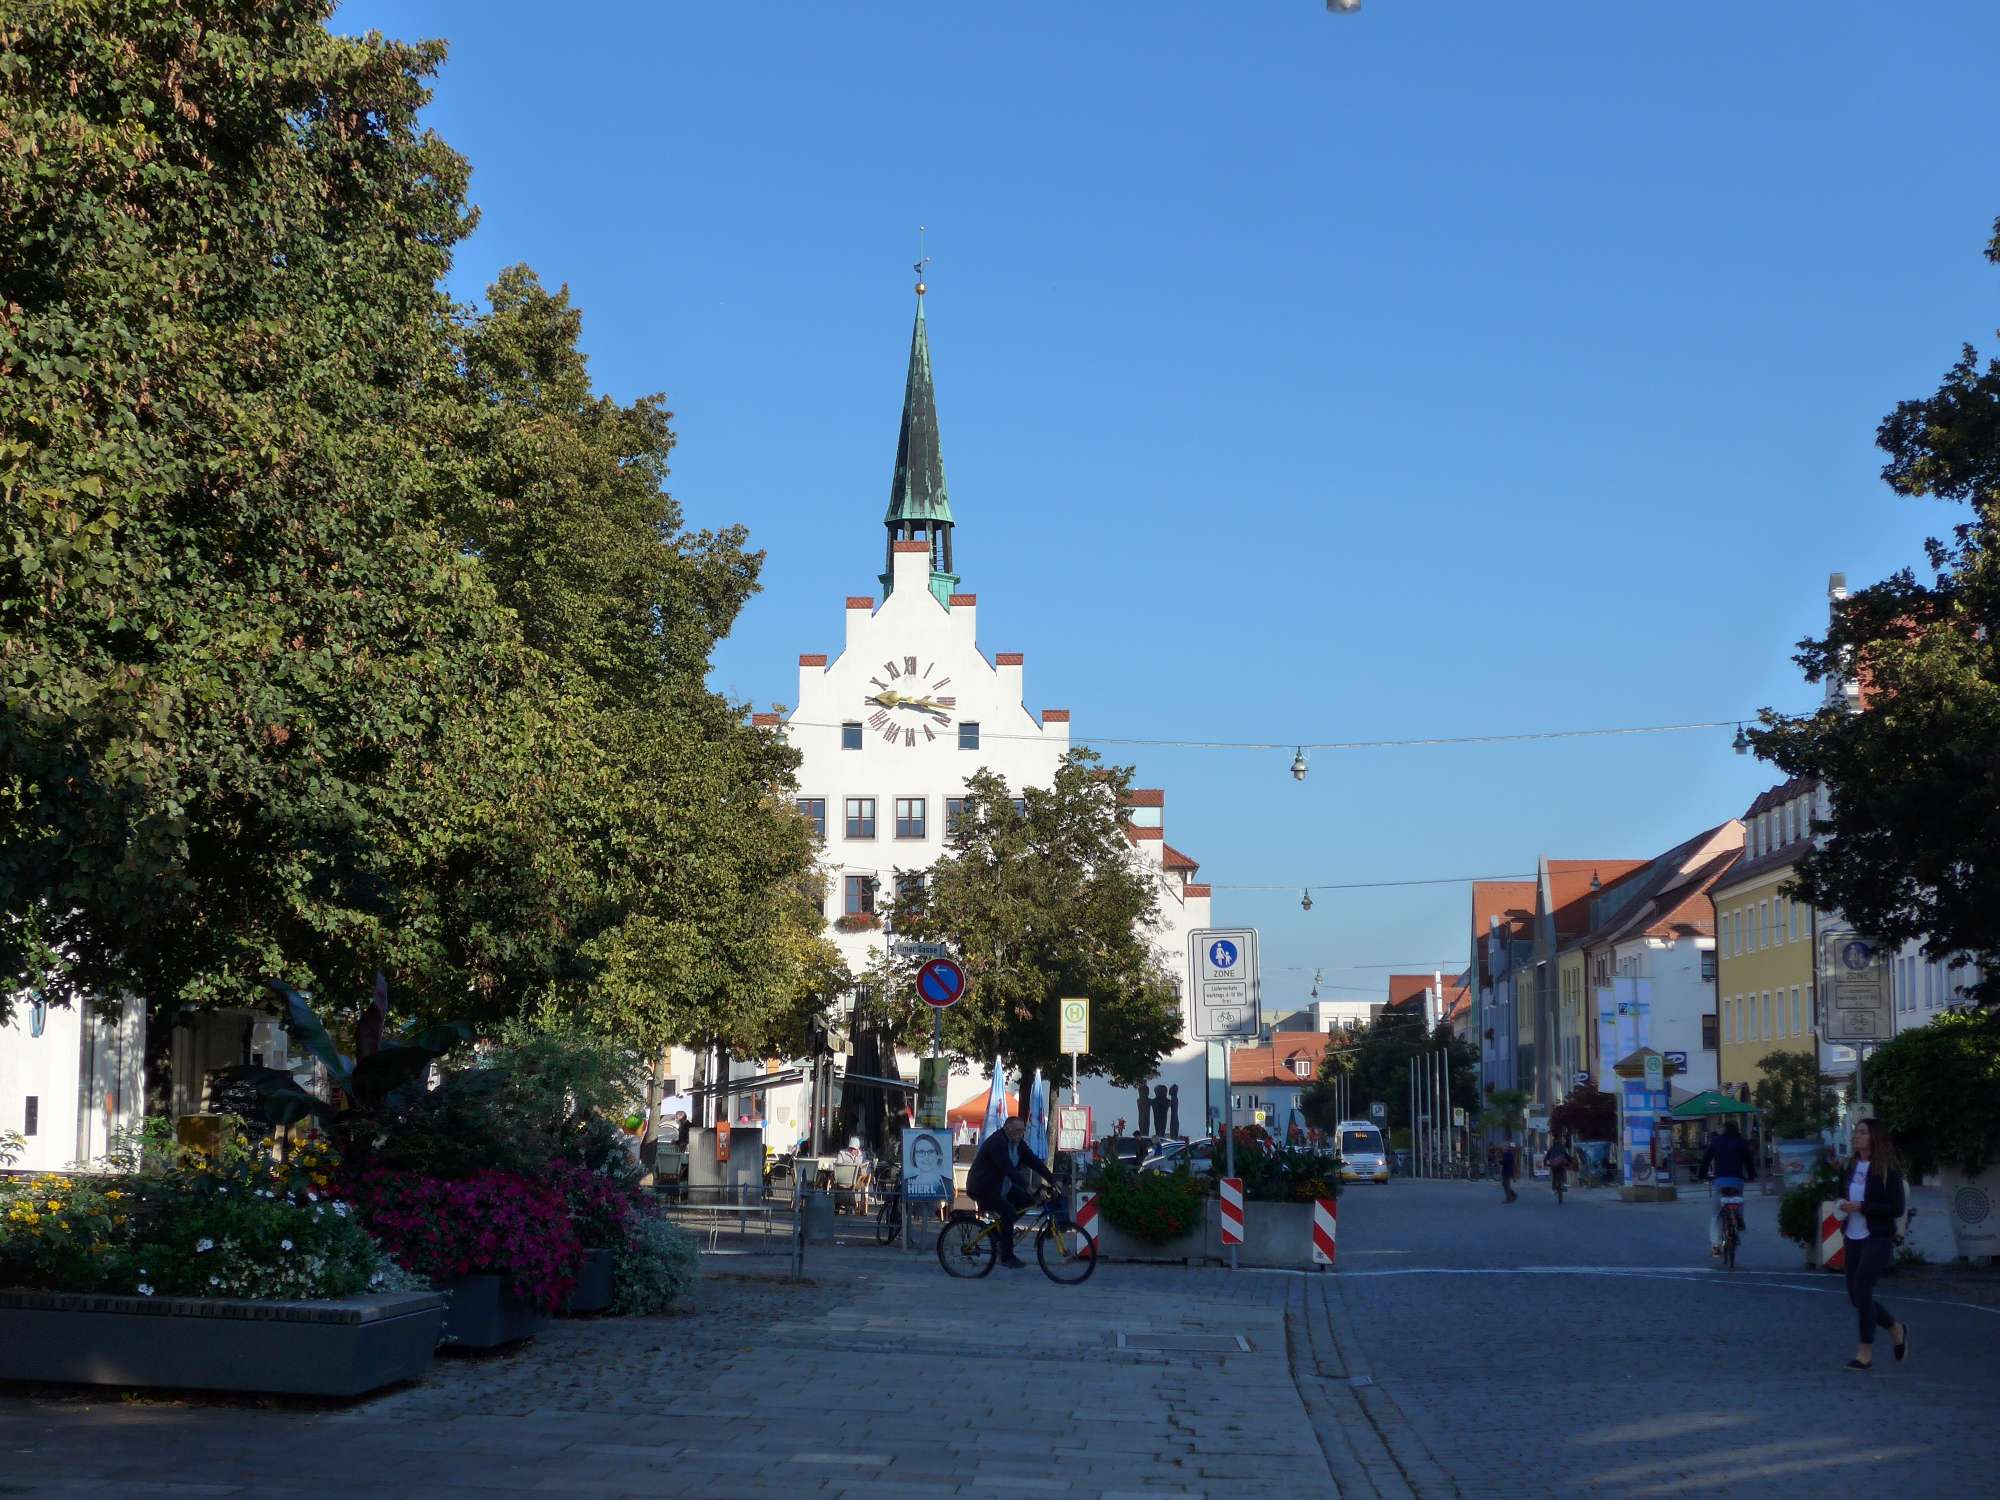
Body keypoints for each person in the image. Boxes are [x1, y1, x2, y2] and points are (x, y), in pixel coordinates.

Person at [1835, 1117, 1908, 1371]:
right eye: (1856, 1132)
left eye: (1863, 1132)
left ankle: (1864, 1353)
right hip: (1852, 1236)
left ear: (1874, 1138)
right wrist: (1843, 1206)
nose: (1857, 1136)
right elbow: (1841, 1195)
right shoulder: (1848, 1167)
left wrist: (1863, 1207)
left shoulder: (1887, 1170)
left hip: (1877, 1237)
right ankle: (1895, 1328)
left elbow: (1896, 1208)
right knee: (1856, 1298)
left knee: (1863, 1291)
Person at [966, 1115, 1057, 1268]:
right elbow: (1007, 1168)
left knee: (1028, 1201)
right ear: (1007, 1129)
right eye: (1017, 1130)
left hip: (1002, 1186)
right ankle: (1007, 1257)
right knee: (1008, 1212)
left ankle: (999, 1231)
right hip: (984, 1187)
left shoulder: (1018, 1143)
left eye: (1022, 1131)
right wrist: (1028, 1186)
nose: (1020, 1134)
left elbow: (1034, 1161)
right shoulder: (997, 1142)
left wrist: (1052, 1179)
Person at [1699, 1120, 1757, 1258]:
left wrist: (1701, 1175)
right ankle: (1739, 1218)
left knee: (1716, 1214)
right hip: (1737, 1180)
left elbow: (1706, 1158)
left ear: (1724, 1129)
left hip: (1720, 1181)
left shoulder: (1717, 1141)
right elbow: (1748, 1160)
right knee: (1739, 1200)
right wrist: (1751, 1175)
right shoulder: (1741, 1142)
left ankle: (1715, 1246)